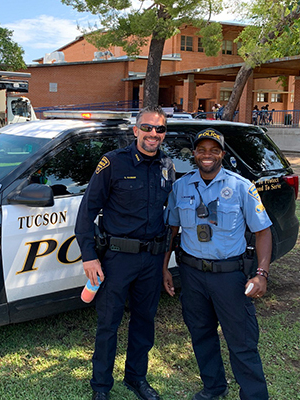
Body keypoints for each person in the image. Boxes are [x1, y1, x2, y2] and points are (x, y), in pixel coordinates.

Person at [163, 128, 272, 400]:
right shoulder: (181, 186)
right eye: (202, 150)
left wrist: (261, 274)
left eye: (213, 150)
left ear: (222, 154)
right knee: (201, 335)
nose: (207, 155)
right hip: (192, 275)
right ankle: (213, 388)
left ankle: (254, 396)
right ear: (194, 154)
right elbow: (172, 230)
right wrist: (164, 267)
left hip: (229, 277)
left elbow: (263, 232)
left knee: (242, 342)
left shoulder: (241, 186)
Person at [75, 106, 175, 400]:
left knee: (144, 322)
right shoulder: (113, 163)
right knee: (108, 324)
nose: (153, 134)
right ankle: (101, 387)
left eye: (159, 129)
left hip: (152, 258)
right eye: (147, 128)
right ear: (135, 130)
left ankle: (136, 378)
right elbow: (87, 212)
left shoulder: (166, 166)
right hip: (117, 258)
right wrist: (89, 256)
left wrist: (165, 262)